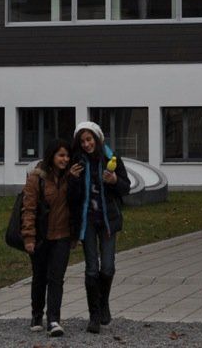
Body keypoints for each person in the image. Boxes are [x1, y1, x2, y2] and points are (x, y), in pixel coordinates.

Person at [68, 121, 130, 335]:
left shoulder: (111, 158)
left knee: (108, 267)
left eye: (89, 139)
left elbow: (126, 187)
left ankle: (104, 303)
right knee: (92, 268)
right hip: (87, 222)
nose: (86, 144)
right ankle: (94, 315)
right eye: (82, 141)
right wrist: (72, 179)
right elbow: (71, 197)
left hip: (107, 220)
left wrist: (114, 180)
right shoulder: (76, 162)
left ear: (97, 138)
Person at [22, 138, 73, 338]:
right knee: (40, 276)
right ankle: (37, 315)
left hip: (63, 235)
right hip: (41, 236)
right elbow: (29, 209)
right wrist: (29, 237)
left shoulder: (70, 177)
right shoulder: (36, 178)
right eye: (61, 155)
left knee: (56, 278)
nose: (65, 159)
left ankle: (53, 319)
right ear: (52, 156)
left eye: (67, 156)